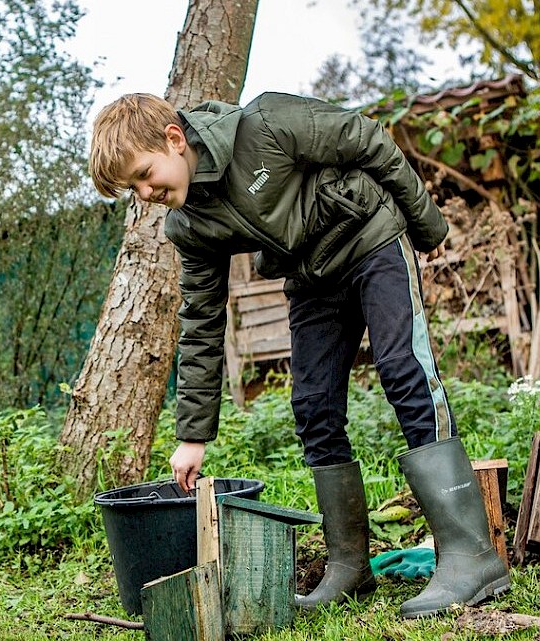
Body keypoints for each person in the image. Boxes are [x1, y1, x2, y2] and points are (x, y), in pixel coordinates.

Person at [88, 93, 510, 618]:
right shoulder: (189, 224)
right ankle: (348, 566)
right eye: (133, 188)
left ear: (174, 139)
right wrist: (192, 435)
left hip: (371, 238)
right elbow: (201, 322)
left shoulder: (265, 124)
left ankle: (472, 556)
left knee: (403, 369)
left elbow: (368, 140)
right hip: (312, 277)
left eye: (144, 175)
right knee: (313, 406)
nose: (145, 193)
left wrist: (427, 228)